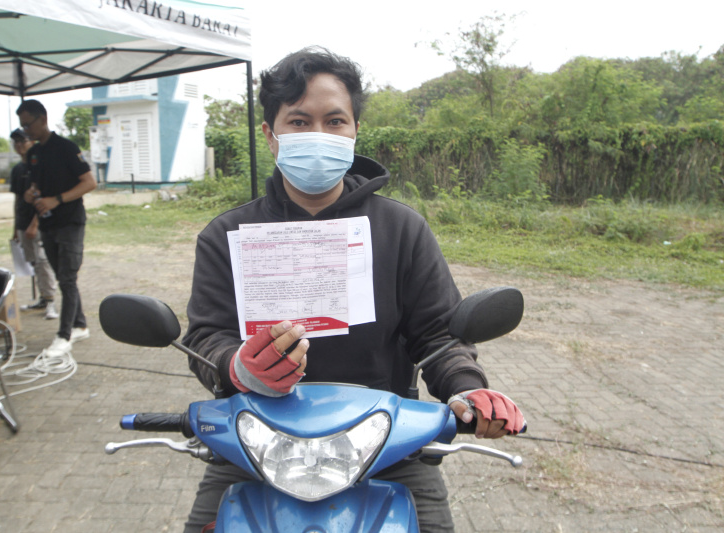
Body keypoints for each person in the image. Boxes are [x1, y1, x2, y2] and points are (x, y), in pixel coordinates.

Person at [181, 47, 525, 532]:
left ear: (355, 131)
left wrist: (469, 390)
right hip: (255, 440)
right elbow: (204, 337)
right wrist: (235, 367)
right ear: (270, 135)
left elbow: (440, 335)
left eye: (335, 120)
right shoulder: (227, 236)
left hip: (384, 443)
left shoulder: (402, 229)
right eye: (299, 122)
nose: (318, 135)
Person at [16, 99, 96, 357]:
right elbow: (36, 186)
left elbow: (89, 182)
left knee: (68, 278)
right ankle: (80, 325)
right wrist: (32, 194)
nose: (25, 130)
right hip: (48, 224)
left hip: (70, 222)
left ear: (43, 119)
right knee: (63, 278)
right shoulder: (34, 154)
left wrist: (57, 199)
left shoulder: (65, 148)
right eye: (22, 126)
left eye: (28, 124)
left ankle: (64, 335)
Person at [8, 128, 58, 320]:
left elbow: (44, 198)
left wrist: (34, 224)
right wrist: (16, 228)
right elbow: (18, 200)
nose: (20, 145)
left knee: (42, 261)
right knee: (33, 262)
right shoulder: (17, 169)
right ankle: (43, 299)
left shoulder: (39, 166)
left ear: (32, 143)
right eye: (16, 142)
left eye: (23, 141)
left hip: (39, 223)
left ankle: (50, 300)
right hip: (22, 223)